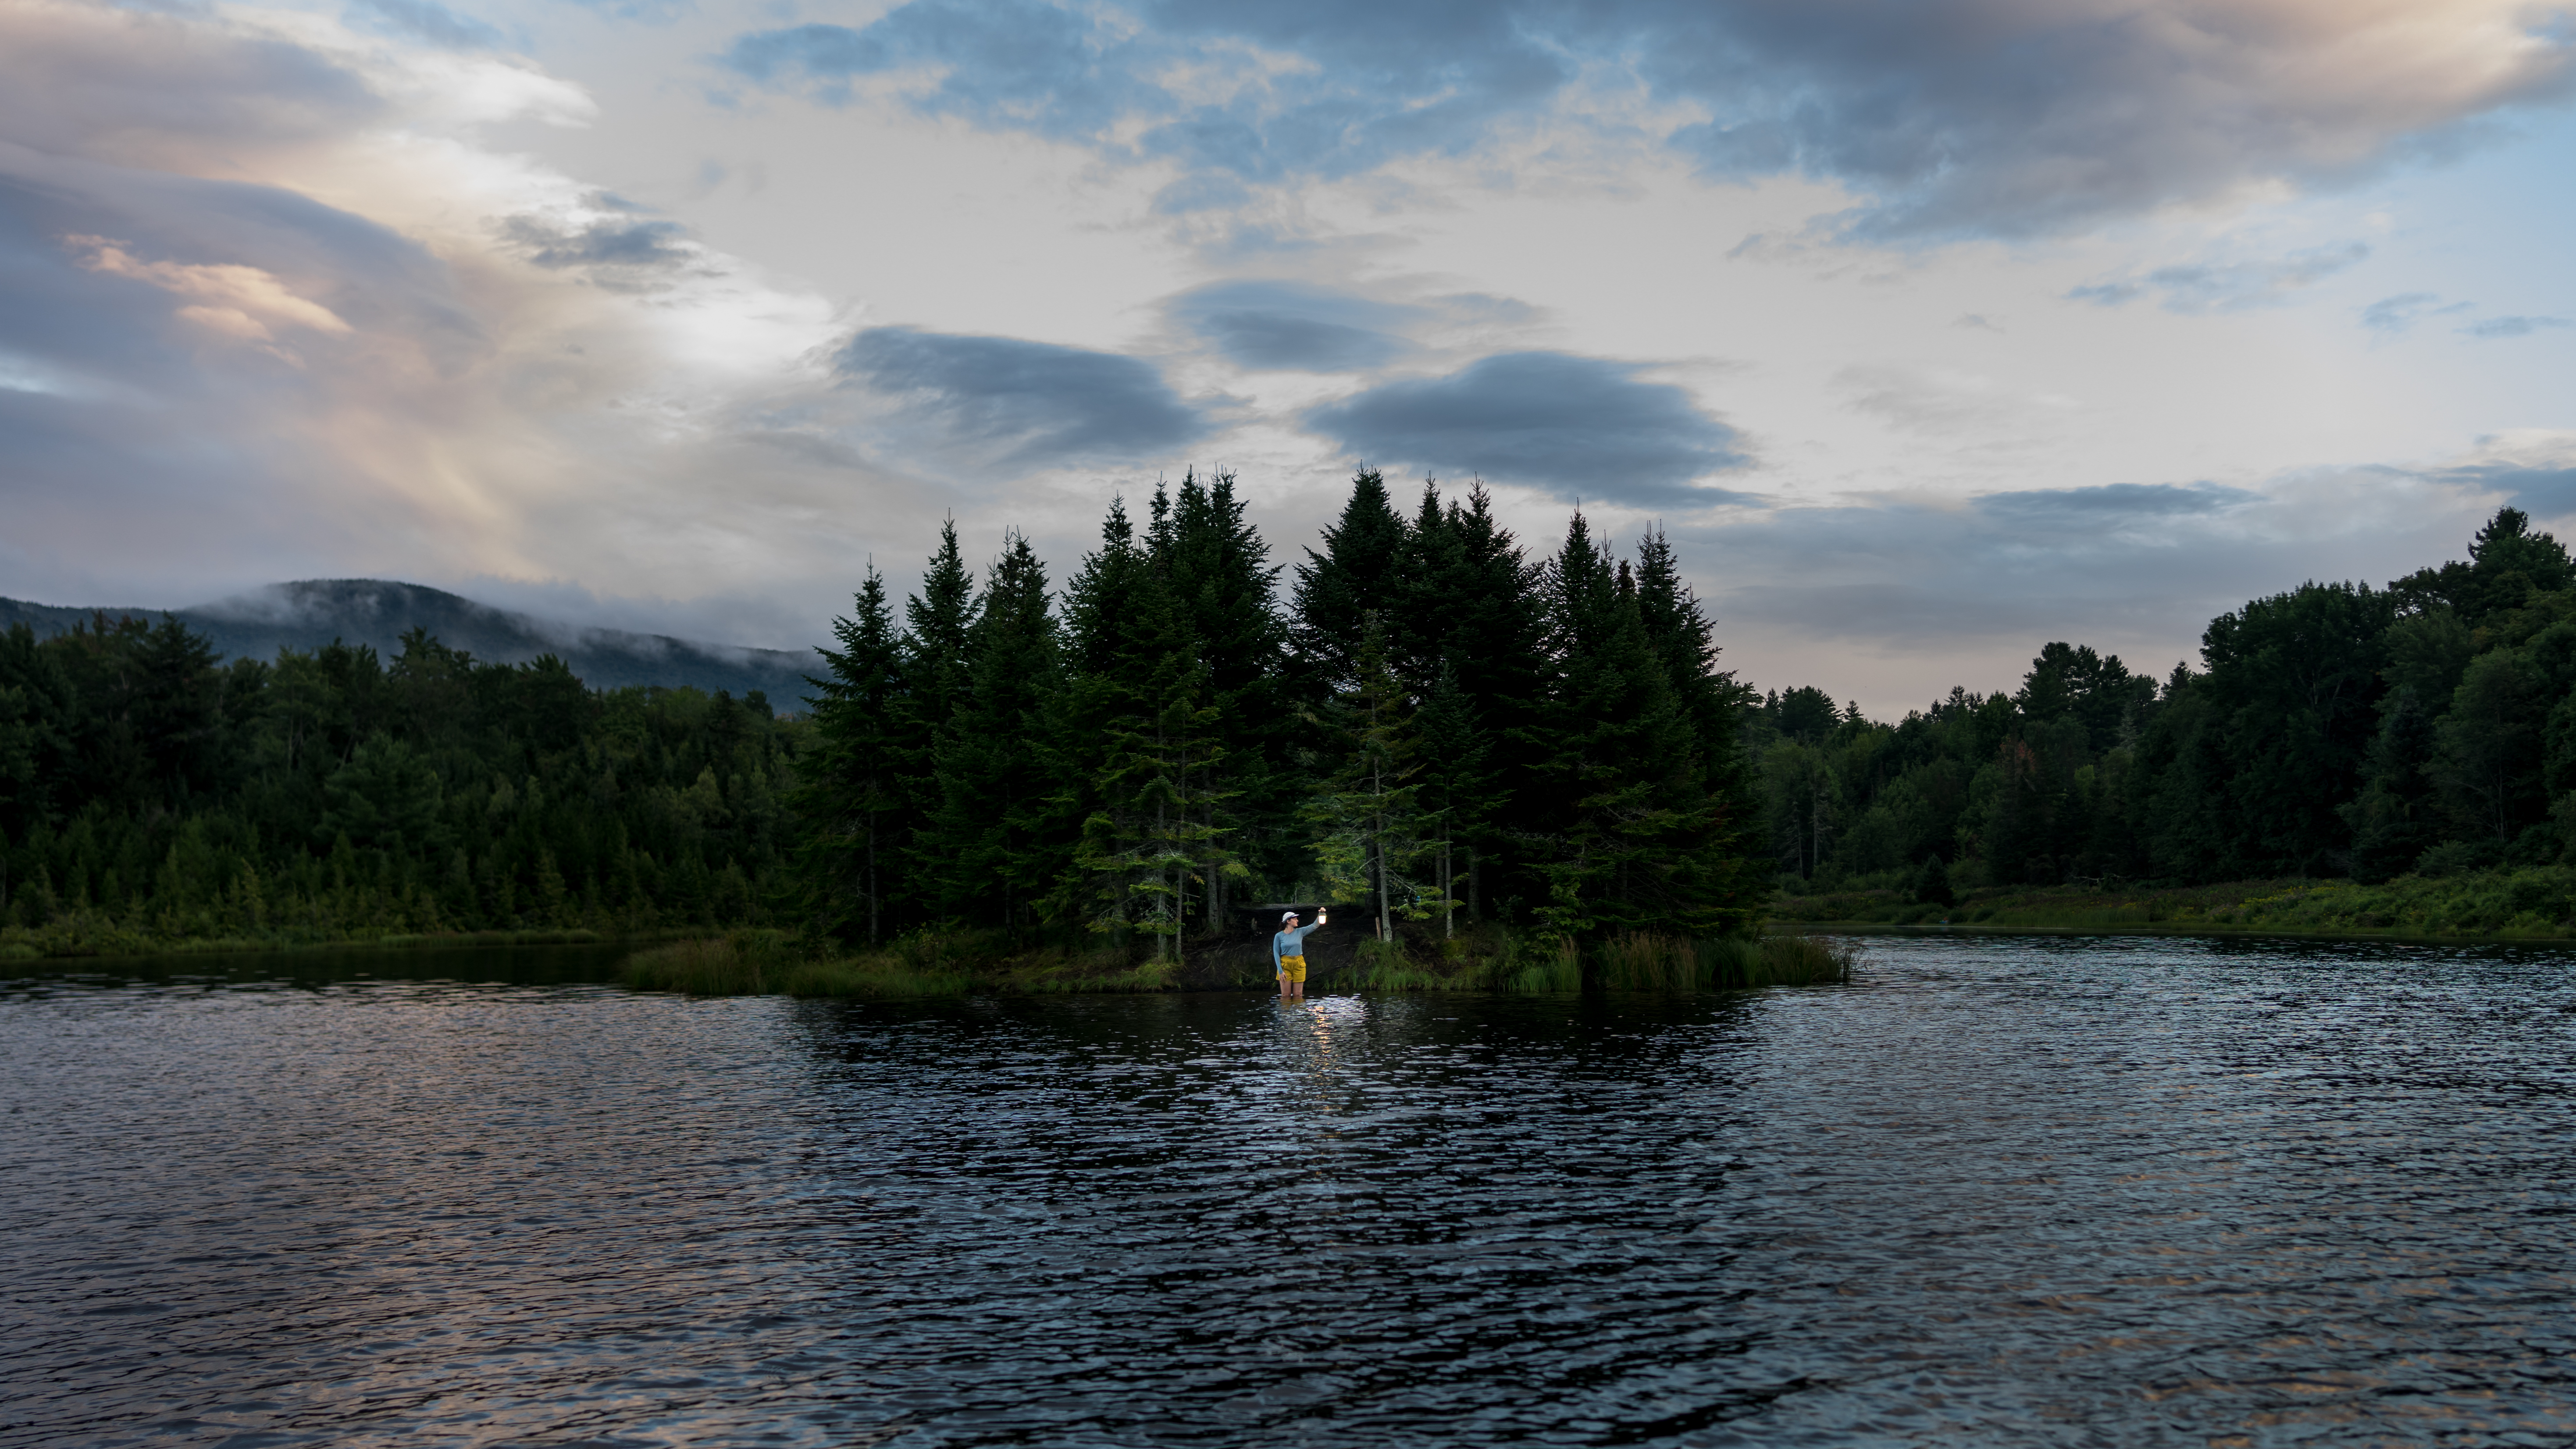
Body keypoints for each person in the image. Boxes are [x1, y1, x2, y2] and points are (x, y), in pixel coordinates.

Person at [1272, 908, 1325, 1000]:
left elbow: (1315, 926)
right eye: (1295, 919)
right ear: (1288, 921)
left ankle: (1297, 1014)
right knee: (1286, 996)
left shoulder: (1300, 932)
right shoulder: (1279, 936)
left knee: (1298, 995)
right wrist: (1280, 971)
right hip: (1285, 964)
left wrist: (1322, 914)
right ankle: (1286, 1014)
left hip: (1299, 963)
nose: (1297, 921)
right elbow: (1276, 953)